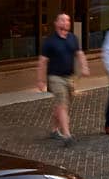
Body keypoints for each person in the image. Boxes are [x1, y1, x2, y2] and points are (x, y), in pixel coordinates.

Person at [37, 12, 88, 146]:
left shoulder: (73, 38)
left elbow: (79, 53)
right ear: (56, 23)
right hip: (55, 77)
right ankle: (67, 135)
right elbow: (42, 62)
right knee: (62, 104)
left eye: (68, 21)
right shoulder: (50, 42)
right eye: (62, 20)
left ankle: (54, 130)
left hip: (69, 77)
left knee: (61, 105)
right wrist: (41, 80)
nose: (66, 23)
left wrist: (84, 67)